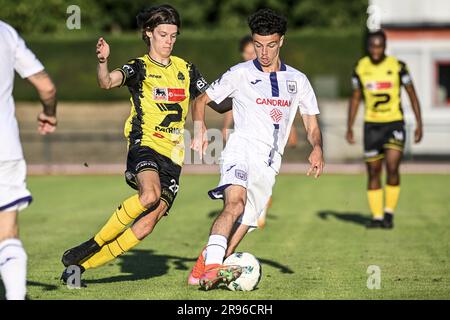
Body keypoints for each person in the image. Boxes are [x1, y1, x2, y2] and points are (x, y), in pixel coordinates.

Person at [60, 4, 210, 284]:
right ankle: (92, 243)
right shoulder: (139, 67)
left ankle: (81, 268)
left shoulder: (186, 69)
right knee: (149, 195)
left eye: (174, 35)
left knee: (146, 226)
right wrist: (103, 62)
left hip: (174, 158)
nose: (169, 41)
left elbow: (210, 97)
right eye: (163, 34)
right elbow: (106, 82)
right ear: (149, 33)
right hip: (146, 145)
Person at [189, 8, 324, 290]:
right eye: (258, 45)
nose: (263, 53)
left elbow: (311, 124)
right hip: (240, 148)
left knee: (246, 222)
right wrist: (200, 128)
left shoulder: (298, 81)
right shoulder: (239, 73)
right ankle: (213, 268)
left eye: (270, 45)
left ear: (282, 42)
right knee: (234, 203)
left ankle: (204, 266)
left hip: (269, 163)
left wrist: (317, 148)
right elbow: (200, 100)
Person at [0, 20, 57, 299]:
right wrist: (49, 112)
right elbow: (46, 87)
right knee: (7, 232)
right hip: (4, 148)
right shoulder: (5, 32)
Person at [346, 29, 423, 229]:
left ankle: (389, 213)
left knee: (392, 166)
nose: (376, 50)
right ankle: (377, 216)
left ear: (385, 46)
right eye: (372, 46)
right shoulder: (360, 67)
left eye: (379, 46)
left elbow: (412, 95)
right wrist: (349, 126)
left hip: (394, 123)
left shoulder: (398, 67)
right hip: (371, 125)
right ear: (368, 46)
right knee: (373, 171)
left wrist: (419, 123)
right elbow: (355, 98)